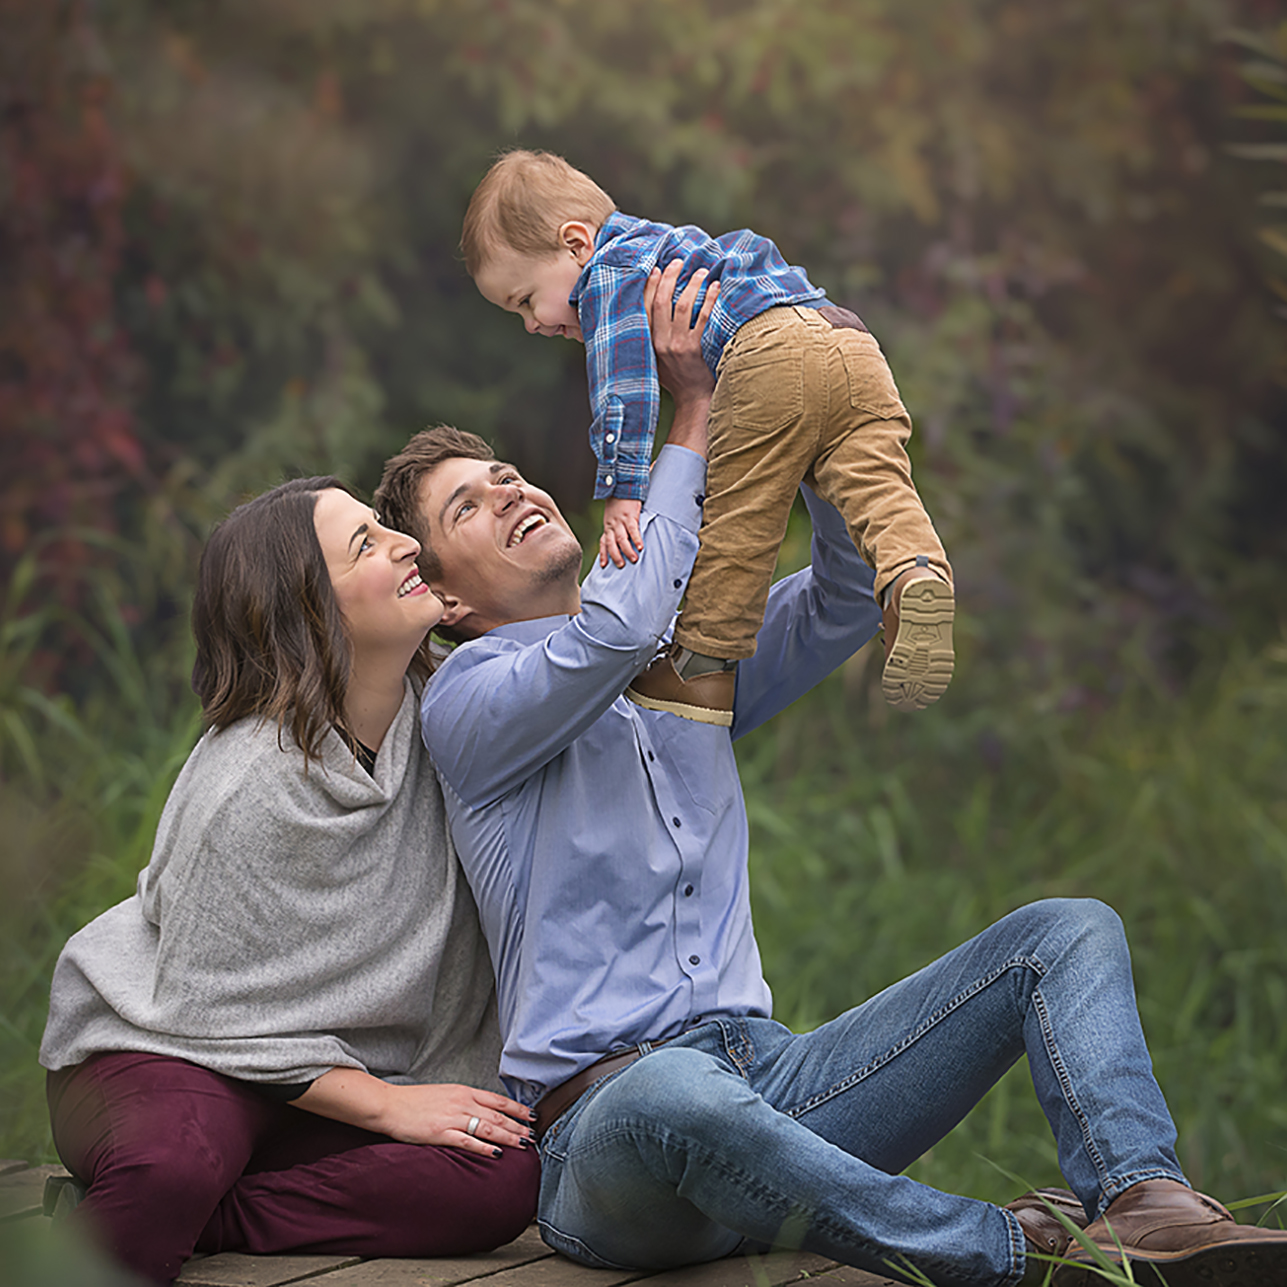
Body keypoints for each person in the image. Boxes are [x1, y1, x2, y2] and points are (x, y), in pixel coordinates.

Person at [373, 264, 1287, 1287]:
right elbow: (617, 625)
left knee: (1065, 933)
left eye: (506, 477)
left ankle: (1141, 1203)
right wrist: (694, 413)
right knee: (680, 1096)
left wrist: (807, 392)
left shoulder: (684, 662)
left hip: (776, 1084)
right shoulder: (467, 704)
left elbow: (850, 594)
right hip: (611, 1136)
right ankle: (1014, 1253)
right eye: (467, 507)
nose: (509, 492)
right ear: (445, 600)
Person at [38, 478, 540, 1286]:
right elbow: (203, 1009)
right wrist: (385, 1107)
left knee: (497, 1173)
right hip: (170, 1049)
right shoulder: (246, 787)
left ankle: (214, 1216)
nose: (406, 543)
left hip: (327, 1077)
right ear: (312, 614)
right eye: (366, 546)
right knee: (167, 1173)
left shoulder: (446, 710)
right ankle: (178, 1200)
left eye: (386, 528)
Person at [461, 147, 954, 724]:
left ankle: (700, 664)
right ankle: (912, 573)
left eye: (525, 301)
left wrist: (625, 488)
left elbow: (626, 389)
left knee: (741, 514)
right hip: (844, 335)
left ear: (576, 245)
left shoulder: (609, 275)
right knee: (875, 480)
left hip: (766, 354)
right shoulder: (669, 244)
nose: (534, 325)